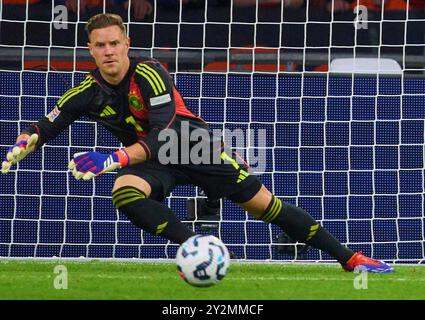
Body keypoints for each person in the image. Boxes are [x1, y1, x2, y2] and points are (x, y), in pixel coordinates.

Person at [2, 13, 393, 273]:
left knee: (266, 208)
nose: (108, 51)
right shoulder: (85, 92)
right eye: (99, 45)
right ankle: (198, 246)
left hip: (192, 145)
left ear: (125, 44)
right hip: (151, 161)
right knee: (124, 193)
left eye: (114, 44)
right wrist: (24, 143)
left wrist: (114, 157)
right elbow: (44, 126)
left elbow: (162, 131)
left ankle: (349, 257)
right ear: (90, 49)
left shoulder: (151, 72)